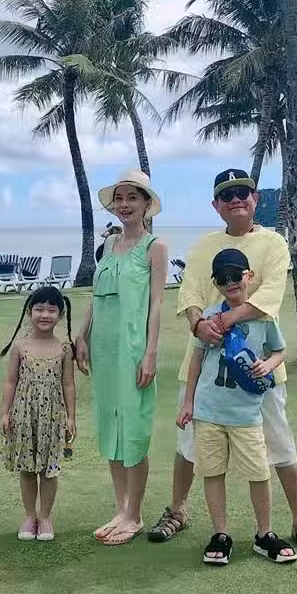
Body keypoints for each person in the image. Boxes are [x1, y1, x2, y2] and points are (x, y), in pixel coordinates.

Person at [147, 168, 297, 557]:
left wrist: (222, 320)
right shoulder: (203, 247)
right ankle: (177, 511)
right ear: (216, 205)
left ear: (255, 199)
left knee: (280, 446)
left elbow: (269, 297)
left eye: (243, 192)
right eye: (227, 195)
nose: (236, 199)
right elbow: (190, 295)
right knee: (189, 447)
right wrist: (199, 324)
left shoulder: (274, 243)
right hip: (205, 371)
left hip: (260, 371)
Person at [177, 248, 297, 565]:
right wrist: (187, 403)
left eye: (235, 276)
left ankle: (264, 534)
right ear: (216, 283)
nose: (230, 283)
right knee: (212, 472)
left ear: (249, 276)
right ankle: (220, 534)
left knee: (259, 473)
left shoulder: (263, 317)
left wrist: (268, 365)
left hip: (246, 413)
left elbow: (280, 351)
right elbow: (196, 361)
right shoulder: (209, 318)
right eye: (222, 278)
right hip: (208, 412)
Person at [74, 169, 168, 546]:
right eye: (120, 198)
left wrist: (150, 353)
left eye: (133, 197)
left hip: (133, 349)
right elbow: (97, 297)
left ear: (146, 204)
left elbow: (157, 304)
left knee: (134, 430)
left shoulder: (154, 247)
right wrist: (82, 335)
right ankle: (121, 508)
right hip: (104, 349)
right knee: (110, 428)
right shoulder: (110, 244)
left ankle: (135, 514)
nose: (125, 204)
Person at [0, 286, 76, 542]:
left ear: (60, 315)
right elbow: (10, 381)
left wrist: (71, 417)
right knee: (26, 467)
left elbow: (68, 384)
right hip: (23, 415)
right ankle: (29, 515)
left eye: (51, 310)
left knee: (48, 469)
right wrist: (5, 413)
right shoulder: (20, 346)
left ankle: (45, 517)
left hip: (52, 417)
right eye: (39, 309)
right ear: (29, 312)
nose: (45, 315)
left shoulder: (64, 348)